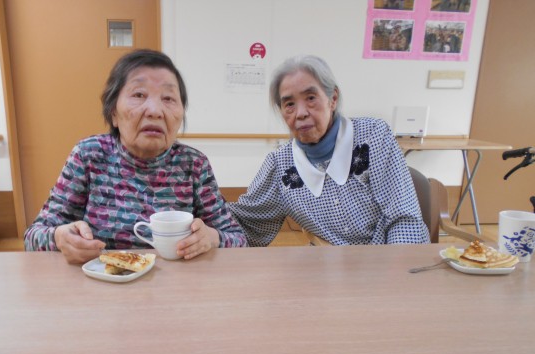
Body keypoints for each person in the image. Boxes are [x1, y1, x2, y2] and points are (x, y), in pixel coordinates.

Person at [24, 49, 246, 264]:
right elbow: (33, 236)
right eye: (139, 95)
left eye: (168, 98)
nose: (155, 111)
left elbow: (238, 239)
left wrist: (212, 238)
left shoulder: (194, 164)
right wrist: (59, 238)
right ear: (113, 112)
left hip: (176, 284)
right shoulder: (88, 155)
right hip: (105, 281)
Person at [228, 54, 430, 246]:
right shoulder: (281, 166)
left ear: (332, 99)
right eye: (289, 104)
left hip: (393, 258)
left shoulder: (373, 136)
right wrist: (212, 222)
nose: (300, 113)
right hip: (330, 265)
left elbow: (403, 219)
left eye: (310, 98)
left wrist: (395, 269)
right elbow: (246, 223)